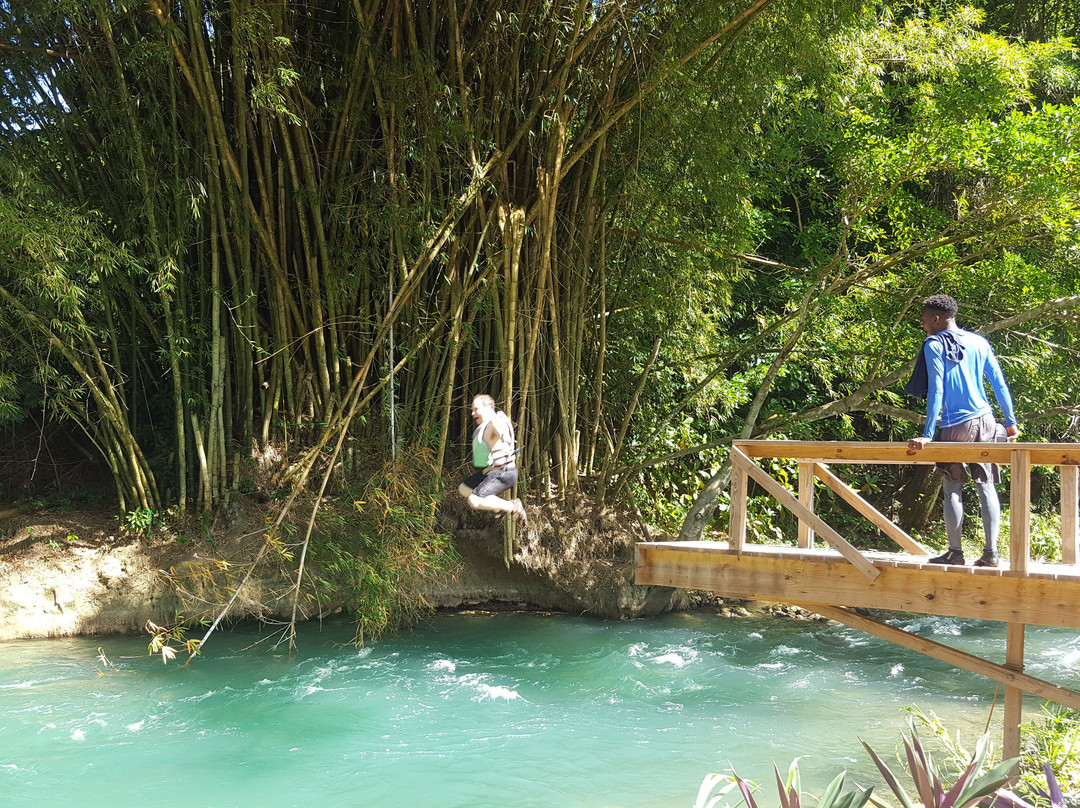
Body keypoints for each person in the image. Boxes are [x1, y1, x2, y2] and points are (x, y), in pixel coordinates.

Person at [905, 294, 1020, 567]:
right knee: (987, 486)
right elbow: (999, 384)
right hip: (988, 421)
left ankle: (955, 553)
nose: (922, 324)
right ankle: (991, 554)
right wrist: (1011, 420)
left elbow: (937, 388)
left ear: (936, 319)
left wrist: (928, 433)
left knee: (952, 486)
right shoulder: (980, 342)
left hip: (957, 423)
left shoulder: (933, 344)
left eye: (924, 320)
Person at [458, 394, 527, 523]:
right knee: (464, 489)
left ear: (488, 408)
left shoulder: (495, 421)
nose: (473, 413)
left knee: (474, 500)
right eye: (472, 410)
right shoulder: (488, 424)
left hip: (504, 472)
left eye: (476, 409)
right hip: (491, 471)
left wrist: (506, 442)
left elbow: (501, 430)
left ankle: (514, 506)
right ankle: (497, 509)